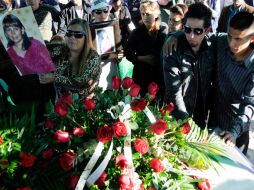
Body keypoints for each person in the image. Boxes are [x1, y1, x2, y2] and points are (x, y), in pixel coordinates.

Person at [209, 12, 254, 154]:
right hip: (212, 122)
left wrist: (233, 132)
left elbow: (249, 104)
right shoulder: (221, 41)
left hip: (236, 132)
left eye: (238, 39)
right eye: (229, 36)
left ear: (252, 38)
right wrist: (175, 36)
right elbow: (198, 36)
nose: (231, 43)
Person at [163, 2, 213, 128]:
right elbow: (174, 92)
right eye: (187, 29)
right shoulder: (172, 50)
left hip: (201, 117)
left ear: (207, 30)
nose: (191, 36)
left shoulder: (212, 47)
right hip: (177, 119)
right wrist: (185, 123)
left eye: (197, 31)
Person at [42, 18, 101, 99]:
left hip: (86, 107)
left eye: (78, 35)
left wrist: (55, 78)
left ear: (86, 37)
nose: (72, 37)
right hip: (62, 106)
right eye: (69, 33)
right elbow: (40, 50)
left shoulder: (93, 57)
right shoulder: (59, 50)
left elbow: (83, 81)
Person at [125, 0, 166, 99]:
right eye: (142, 14)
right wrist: (142, 58)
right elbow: (128, 53)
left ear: (156, 15)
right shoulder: (136, 33)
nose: (144, 17)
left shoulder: (163, 32)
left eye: (148, 14)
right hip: (141, 76)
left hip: (159, 76)